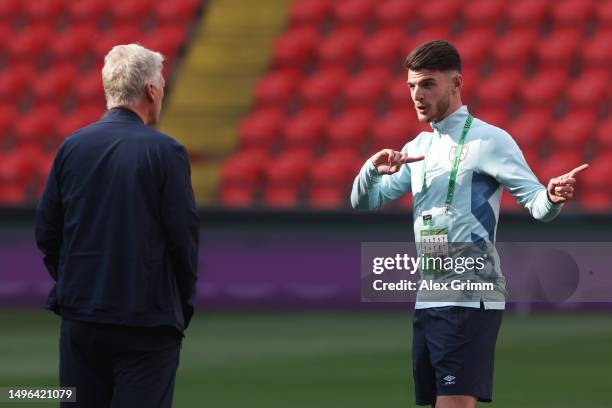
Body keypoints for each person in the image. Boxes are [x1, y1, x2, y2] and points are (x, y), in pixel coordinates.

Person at [350, 40, 587, 408]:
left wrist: (552, 196)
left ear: (456, 83)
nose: (417, 95)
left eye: (428, 84)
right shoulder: (419, 148)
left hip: (470, 297)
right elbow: (364, 202)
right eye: (412, 86)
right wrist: (370, 168)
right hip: (429, 298)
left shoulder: (489, 141)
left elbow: (537, 205)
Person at [35, 44, 200, 408]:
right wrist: (181, 303)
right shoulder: (166, 152)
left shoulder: (71, 148)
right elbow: (183, 240)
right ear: (151, 91)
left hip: (82, 318)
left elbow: (47, 232)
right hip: (147, 322)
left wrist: (76, 283)